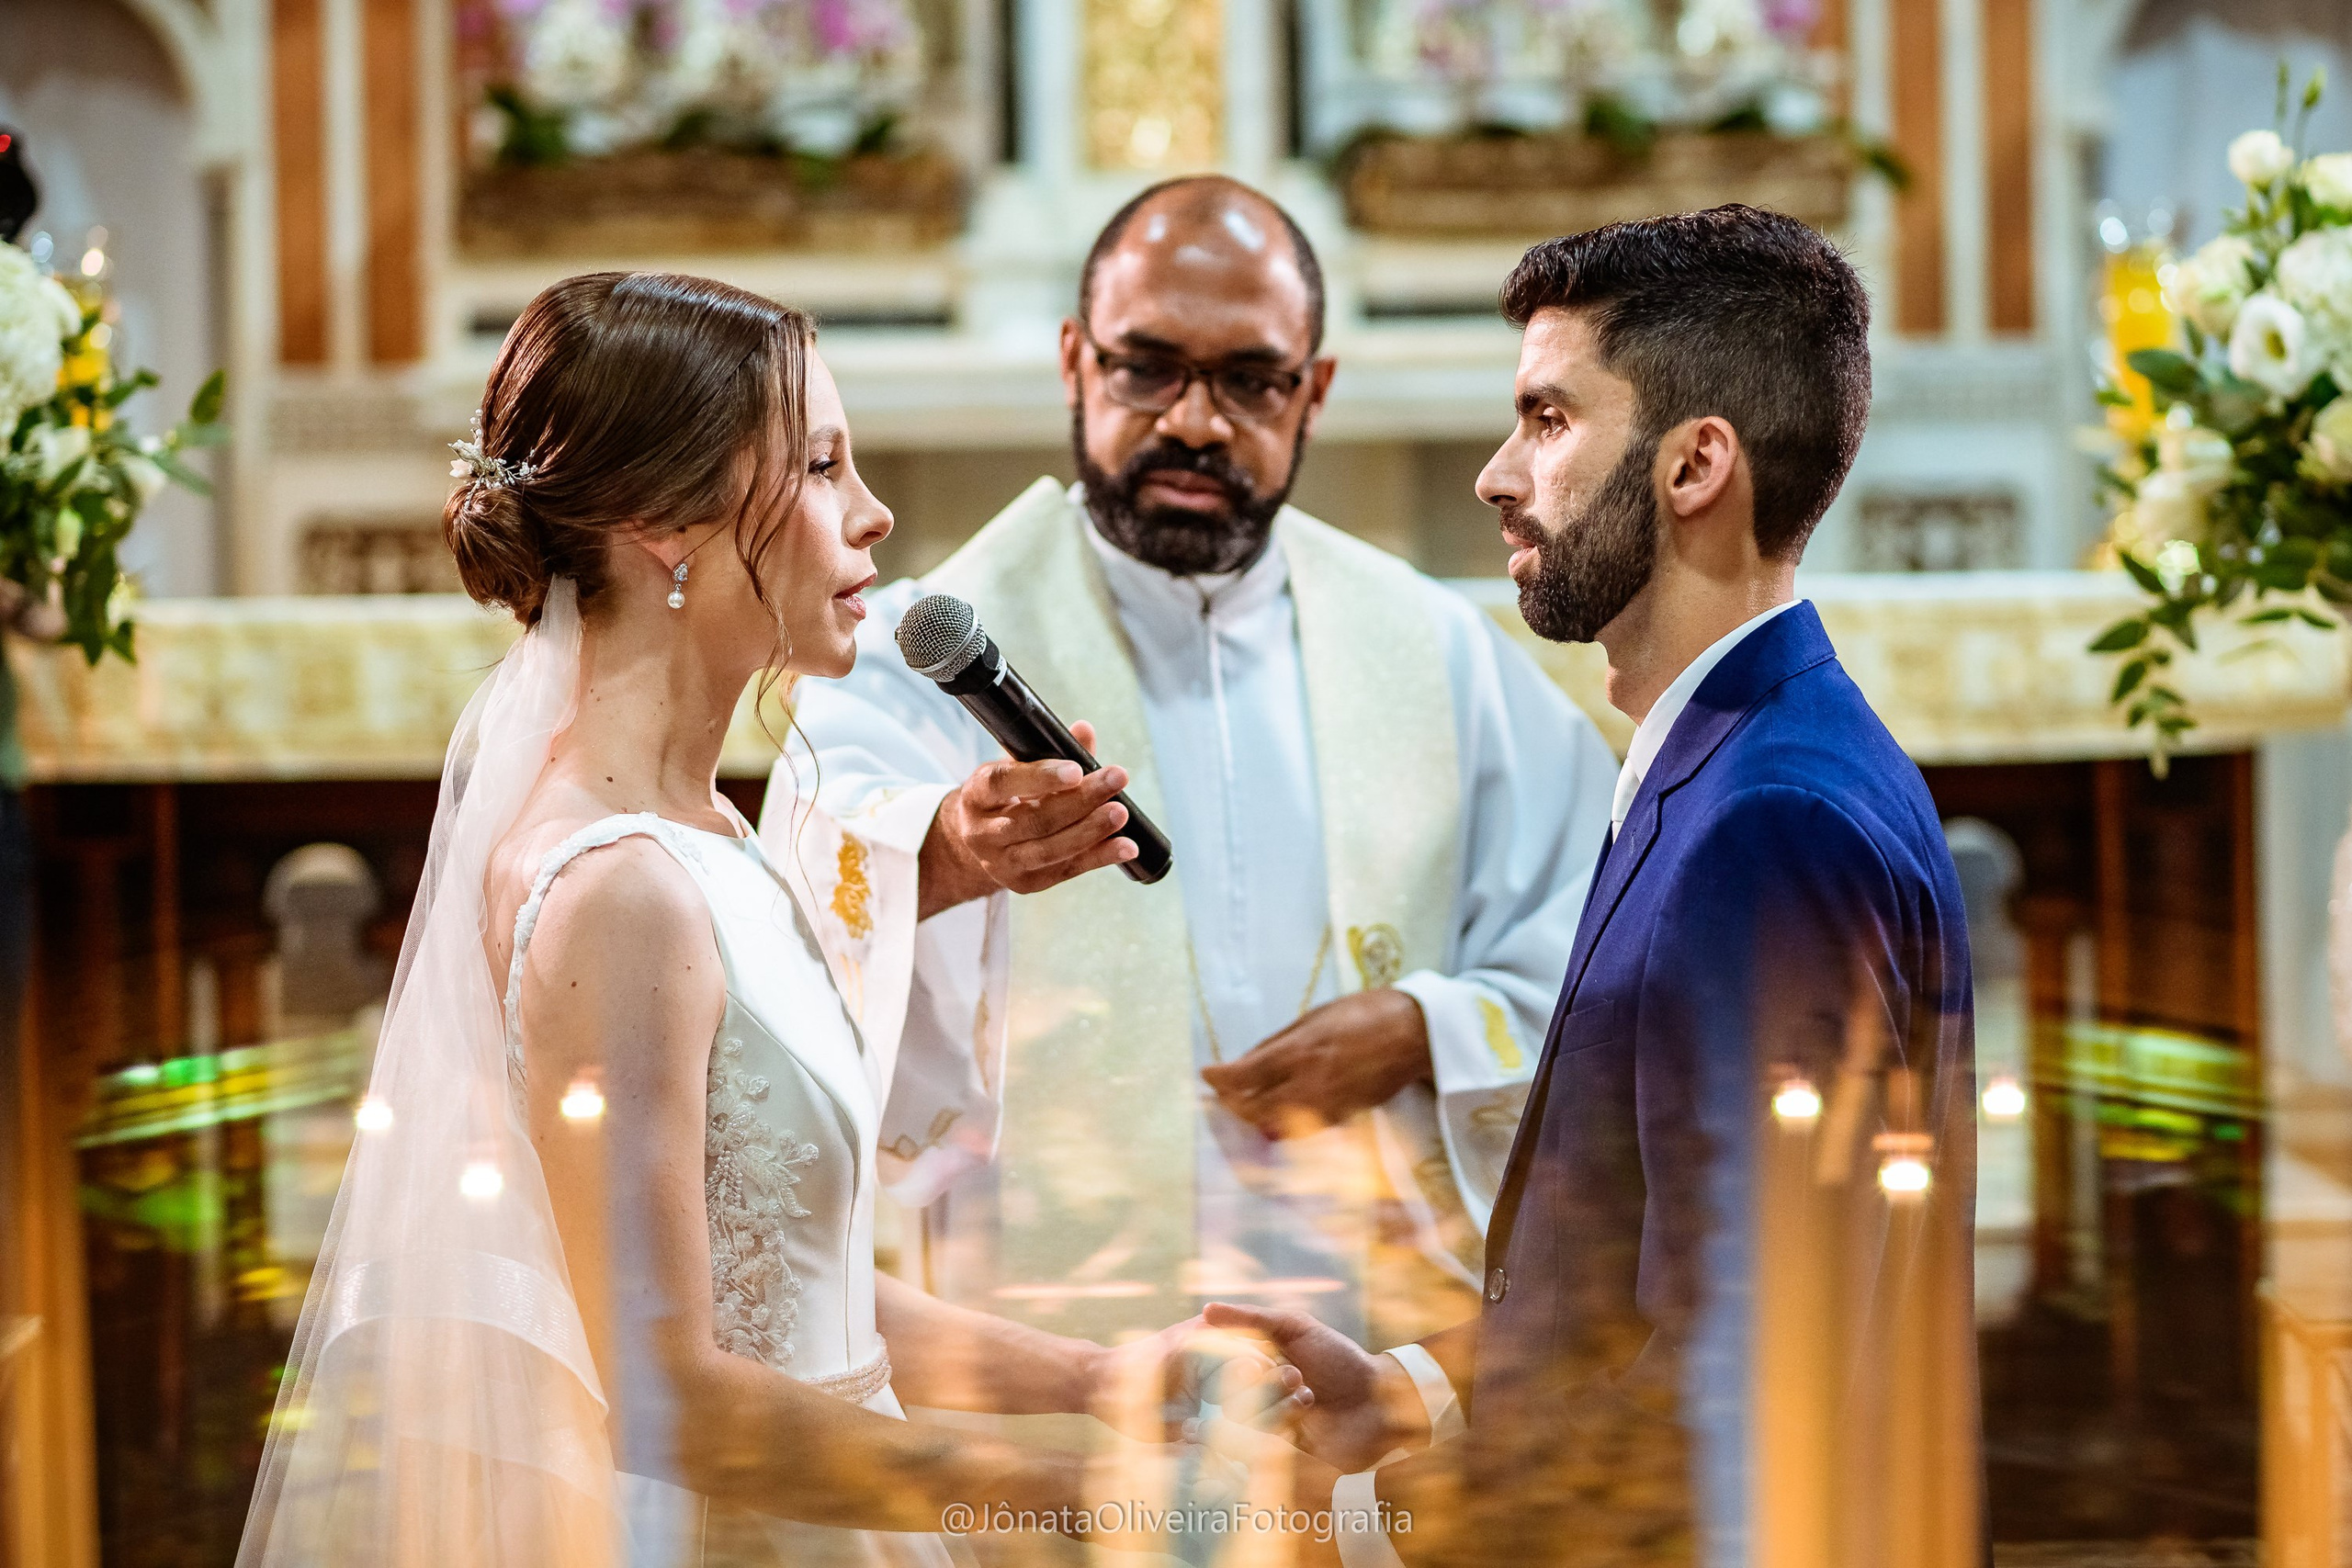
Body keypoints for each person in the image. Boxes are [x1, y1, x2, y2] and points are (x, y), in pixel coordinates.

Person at [233, 271, 1295, 1568]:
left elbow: (793, 1291)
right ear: (662, 524)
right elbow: (674, 1399)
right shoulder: (616, 890)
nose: (874, 513)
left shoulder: (710, 834)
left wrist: (1102, 1381)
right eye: (823, 467)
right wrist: (1087, 1498)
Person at [1213, 208, 1983, 1565]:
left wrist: (1376, 1526)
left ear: (1696, 465)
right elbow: (1652, 1265)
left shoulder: (1775, 821)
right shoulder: (1731, 760)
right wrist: (1422, 1393)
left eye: (1550, 420)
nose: (1500, 475)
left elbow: (1740, 1376)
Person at [783, 176, 1617, 1364]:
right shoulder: (920, 651)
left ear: (1313, 390)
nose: (1194, 421)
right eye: (1146, 367)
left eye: (1250, 379)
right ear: (1076, 362)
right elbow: (803, 876)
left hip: (1369, 1331)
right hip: (1043, 1337)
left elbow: (1601, 922)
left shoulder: (1433, 652)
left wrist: (1427, 1029)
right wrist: (948, 854)